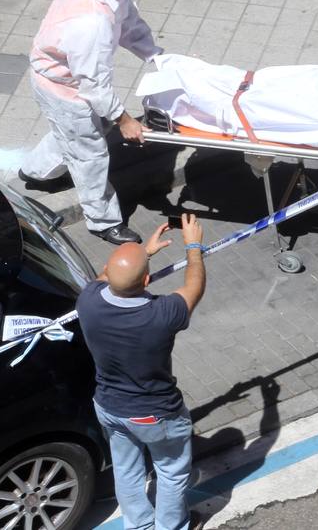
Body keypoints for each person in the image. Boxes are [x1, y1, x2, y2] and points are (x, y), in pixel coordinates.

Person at [21, 0, 162, 244]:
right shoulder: (91, 23)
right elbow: (94, 84)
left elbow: (129, 24)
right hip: (64, 89)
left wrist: (157, 57)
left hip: (67, 81)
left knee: (73, 136)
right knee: (90, 155)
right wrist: (125, 120)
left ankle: (34, 171)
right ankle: (103, 221)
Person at [77, 214, 206, 530]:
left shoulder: (87, 301)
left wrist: (141, 253)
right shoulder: (162, 313)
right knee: (171, 472)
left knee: (126, 469)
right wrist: (193, 245)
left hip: (109, 407)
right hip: (155, 413)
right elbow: (195, 284)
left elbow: (108, 275)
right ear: (147, 282)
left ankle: (138, 525)